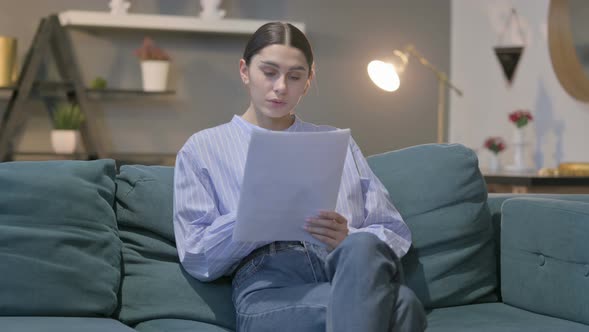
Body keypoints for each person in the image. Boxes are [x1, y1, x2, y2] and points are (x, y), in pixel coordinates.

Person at [173, 22, 426, 332]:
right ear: (244, 70)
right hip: (269, 288)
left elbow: (394, 230)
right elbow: (196, 256)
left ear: (308, 81)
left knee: (362, 248)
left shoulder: (338, 142)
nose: (281, 87)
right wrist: (250, 217)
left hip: (341, 270)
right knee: (403, 306)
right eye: (269, 72)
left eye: (294, 76)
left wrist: (347, 239)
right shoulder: (203, 148)